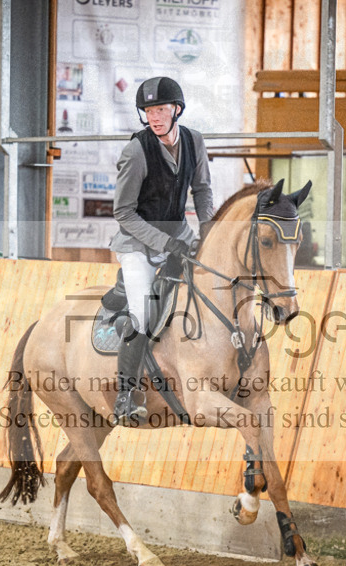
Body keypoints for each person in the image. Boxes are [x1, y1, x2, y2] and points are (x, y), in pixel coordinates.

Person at [109, 76, 213, 425]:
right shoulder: (136, 151)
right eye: (148, 110)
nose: (154, 117)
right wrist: (164, 243)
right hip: (138, 243)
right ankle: (125, 394)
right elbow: (123, 212)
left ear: (176, 110)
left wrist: (208, 232)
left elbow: (202, 191)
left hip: (179, 235)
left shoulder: (194, 142)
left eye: (160, 109)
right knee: (143, 312)